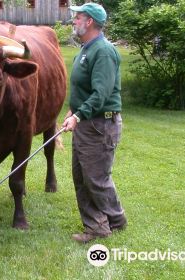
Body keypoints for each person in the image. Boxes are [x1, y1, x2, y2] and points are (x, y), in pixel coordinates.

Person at [62, 3, 127, 244]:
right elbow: (82, 88)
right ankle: (97, 225)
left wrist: (78, 116)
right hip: (86, 123)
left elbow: (101, 93)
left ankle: (116, 220)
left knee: (97, 179)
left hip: (100, 125)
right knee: (81, 177)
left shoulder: (104, 51)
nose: (74, 21)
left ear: (89, 22)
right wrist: (72, 110)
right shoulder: (87, 49)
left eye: (77, 18)